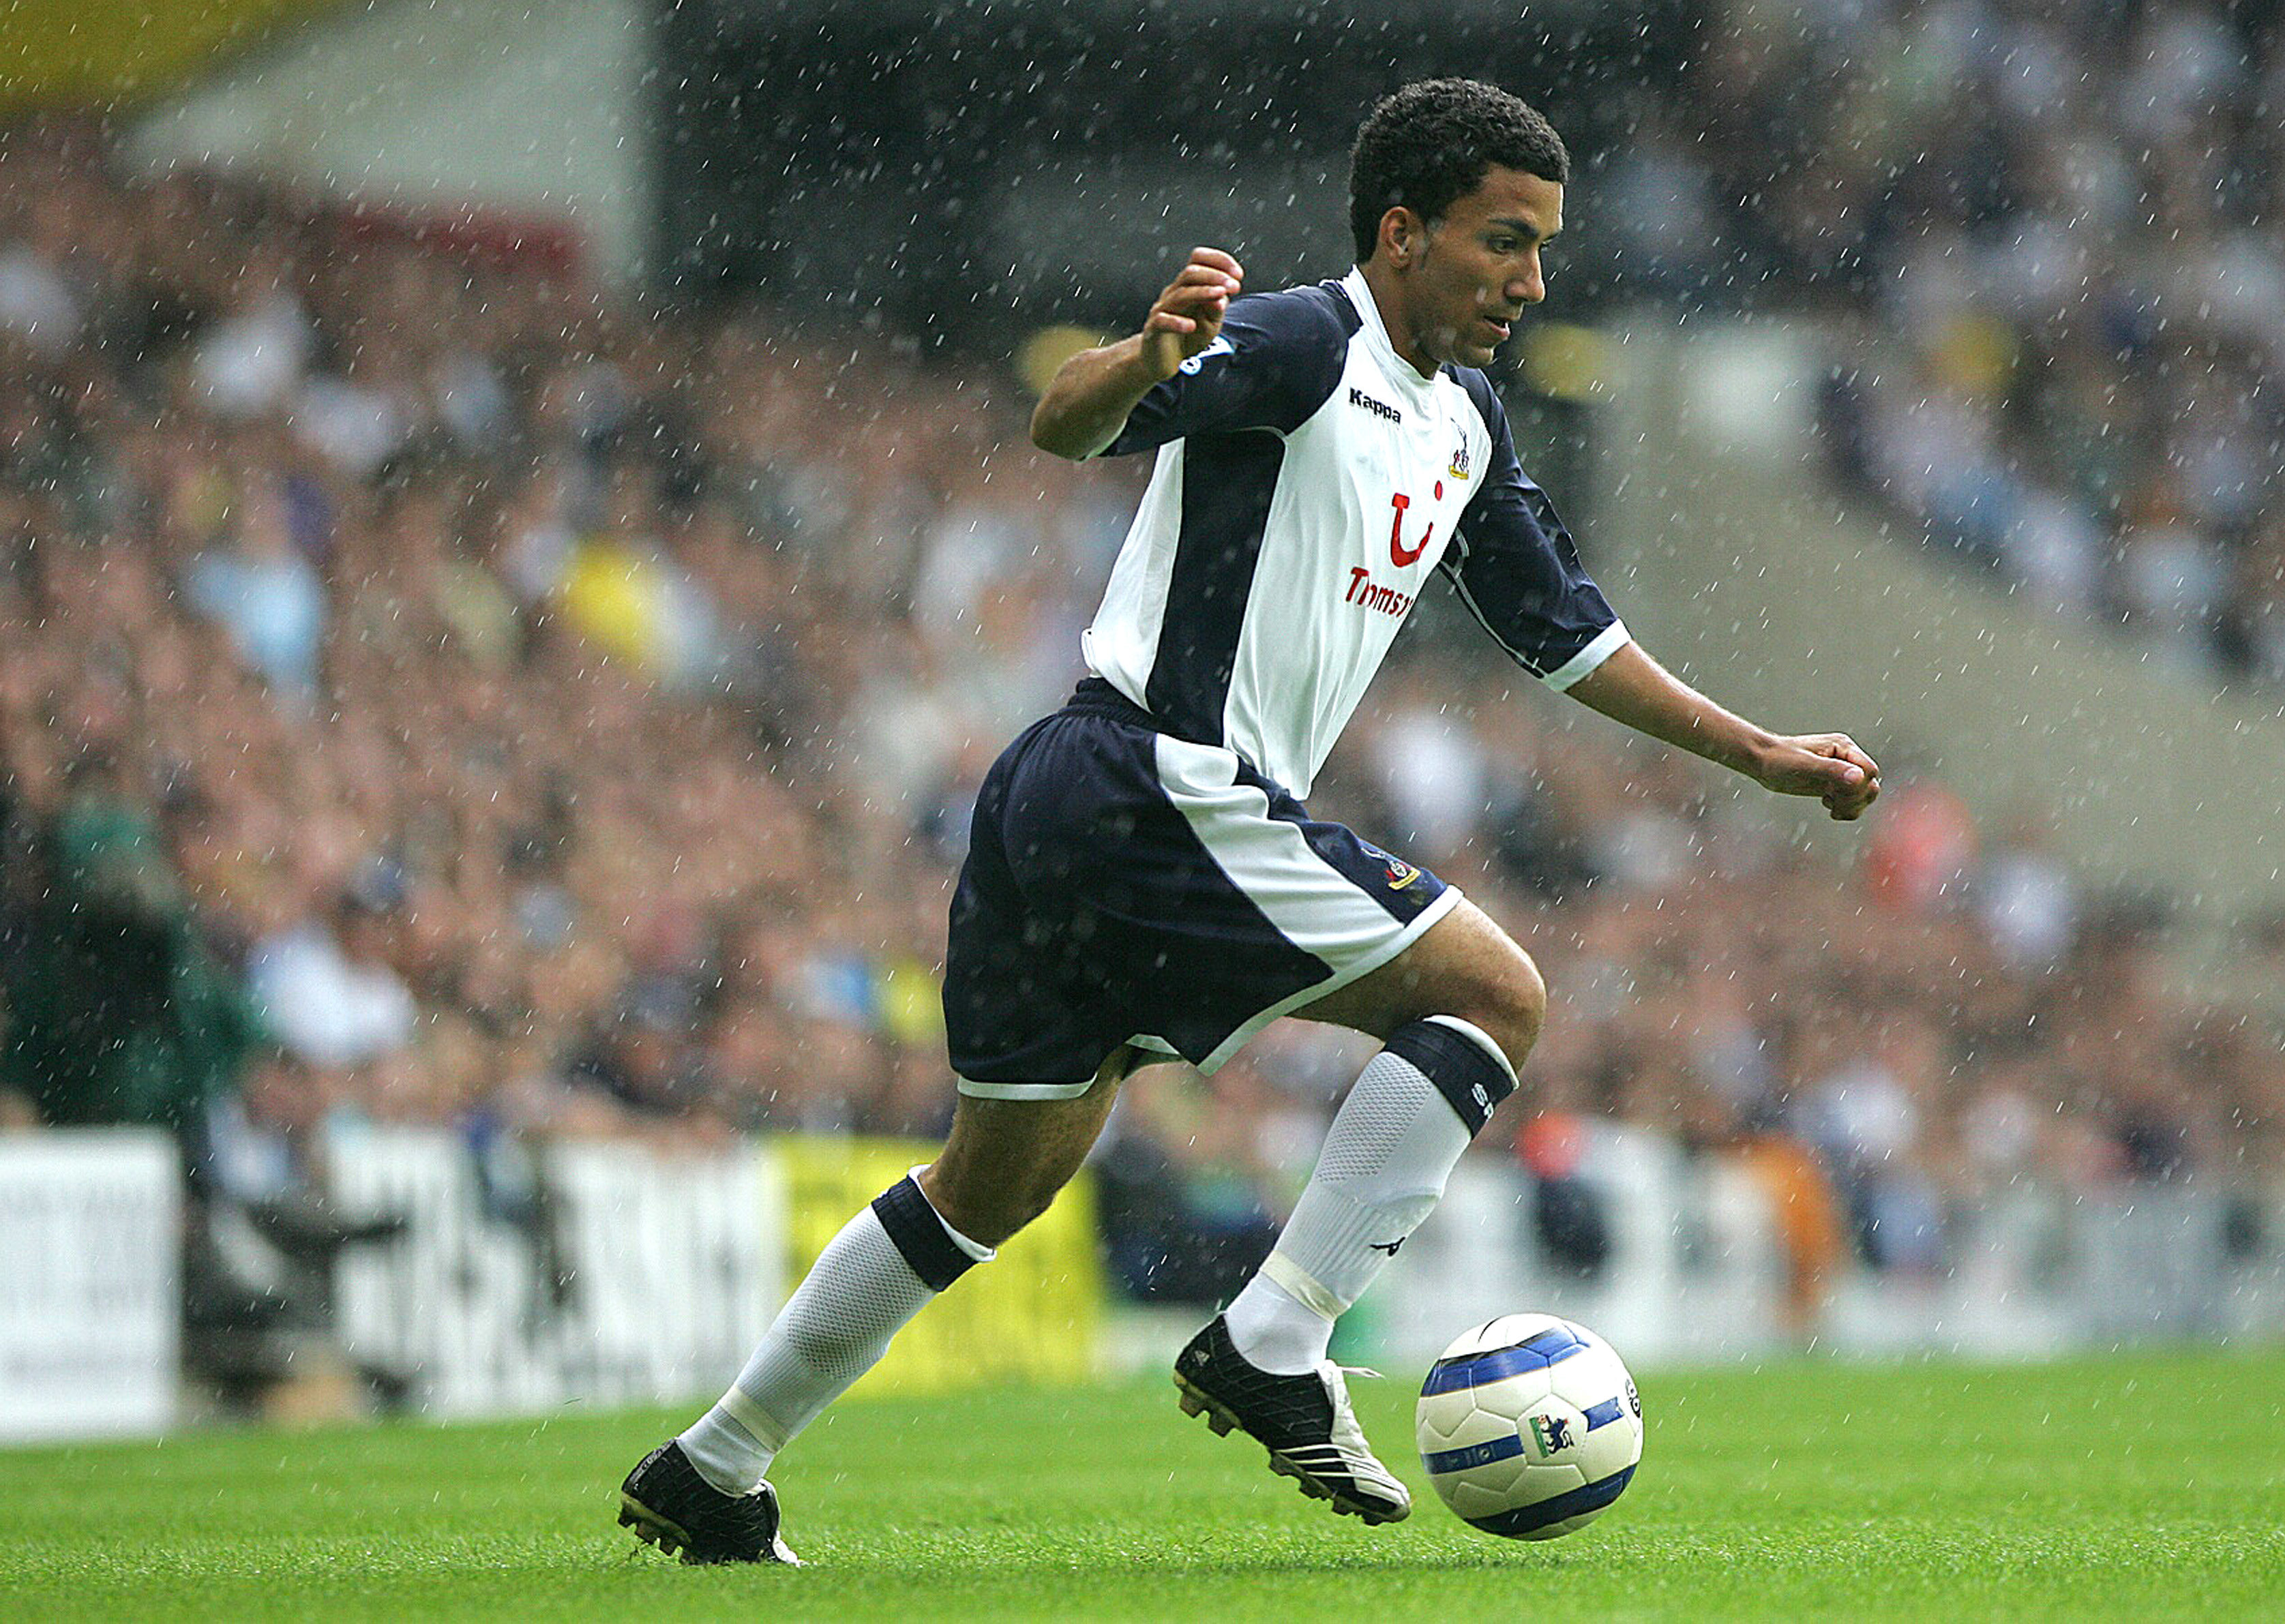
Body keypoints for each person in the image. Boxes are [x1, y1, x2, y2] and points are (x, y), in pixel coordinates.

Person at [618, 78, 1879, 1564]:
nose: (1532, 280)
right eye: (1504, 241)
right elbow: (1063, 425)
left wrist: (1754, 754)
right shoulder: (1297, 340)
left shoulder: (1464, 418)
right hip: (1157, 778)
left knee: (990, 1184)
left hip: (1075, 797)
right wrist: (1144, 356)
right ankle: (1275, 1336)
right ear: (1402, 234)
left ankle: (716, 1463)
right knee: (1491, 993)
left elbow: (1561, 633)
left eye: (1543, 247)